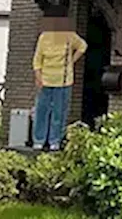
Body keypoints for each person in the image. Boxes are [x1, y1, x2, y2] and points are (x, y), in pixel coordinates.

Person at [32, 9, 87, 151]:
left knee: (59, 112)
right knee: (42, 111)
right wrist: (38, 78)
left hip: (63, 81)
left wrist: (71, 61)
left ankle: (55, 140)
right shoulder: (44, 37)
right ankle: (39, 139)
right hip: (45, 79)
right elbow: (37, 60)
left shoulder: (69, 36)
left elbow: (82, 46)